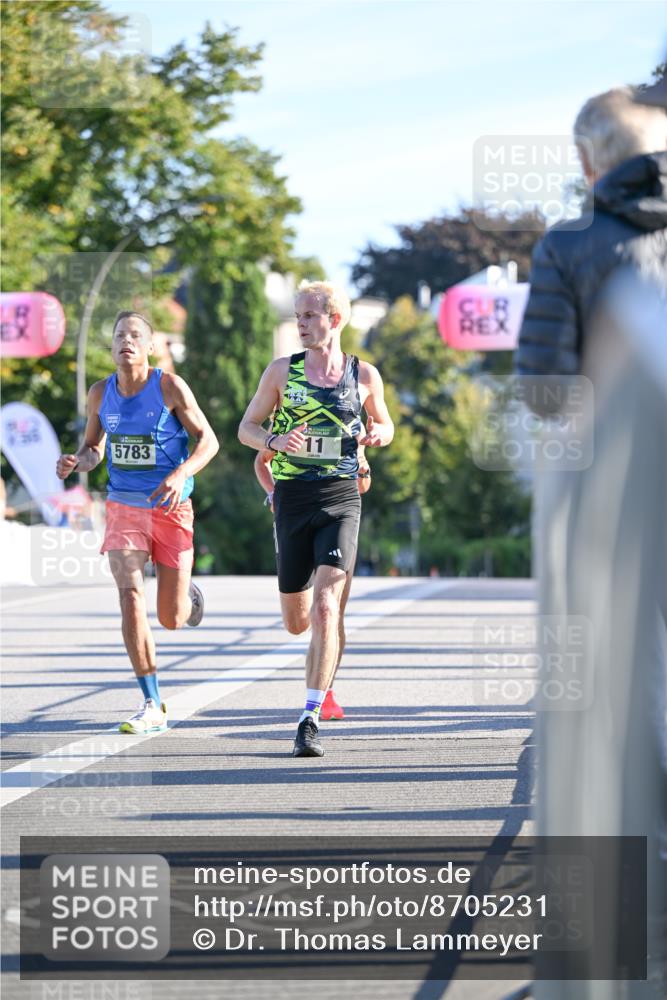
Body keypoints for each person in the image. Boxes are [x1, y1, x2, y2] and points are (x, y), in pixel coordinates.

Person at [239, 280, 394, 757]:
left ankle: (309, 716)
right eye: (298, 316)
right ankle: (318, 674)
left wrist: (379, 435)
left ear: (335, 319)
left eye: (310, 315)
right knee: (297, 621)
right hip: (292, 498)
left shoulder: (364, 375)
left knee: (328, 605)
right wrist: (274, 441)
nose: (301, 324)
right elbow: (246, 428)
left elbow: (386, 422)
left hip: (342, 497)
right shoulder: (281, 372)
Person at [56, 311, 219, 734]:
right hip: (123, 506)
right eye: (119, 335)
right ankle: (151, 702)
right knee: (130, 595)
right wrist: (77, 462)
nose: (125, 341)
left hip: (170, 506)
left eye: (134, 335)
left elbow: (209, 440)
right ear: (111, 347)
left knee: (171, 618)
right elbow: (94, 449)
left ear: (149, 346)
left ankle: (187, 598)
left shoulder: (169, 387)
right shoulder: (100, 393)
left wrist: (182, 473)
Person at [253, 431, 372, 721]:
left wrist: (363, 467)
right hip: (295, 511)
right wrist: (272, 492)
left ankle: (323, 694)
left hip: (339, 514)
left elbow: (363, 486)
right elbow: (261, 461)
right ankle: (320, 683)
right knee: (298, 623)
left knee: (330, 610)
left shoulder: (349, 425)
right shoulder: (293, 419)